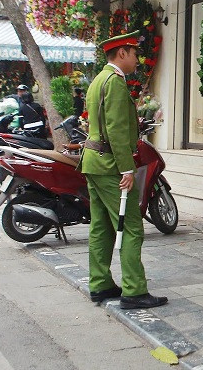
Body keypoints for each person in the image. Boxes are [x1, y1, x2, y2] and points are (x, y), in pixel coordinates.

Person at [79, 32, 167, 310]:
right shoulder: (115, 82)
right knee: (131, 225)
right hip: (110, 165)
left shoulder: (97, 81)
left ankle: (100, 283)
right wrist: (127, 169)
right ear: (122, 54)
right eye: (134, 53)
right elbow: (116, 130)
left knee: (101, 226)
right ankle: (134, 290)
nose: (137, 59)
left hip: (94, 162)